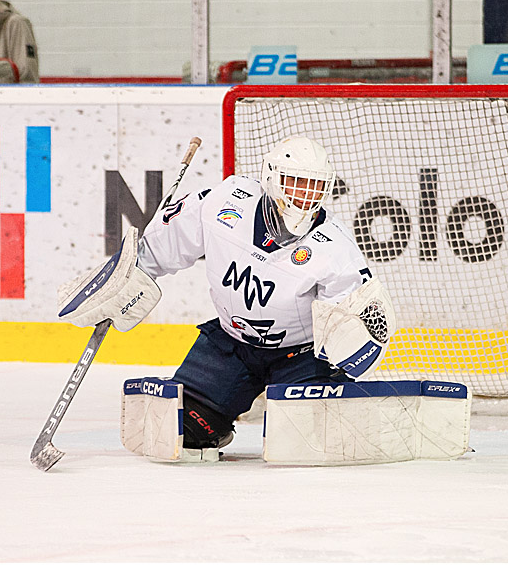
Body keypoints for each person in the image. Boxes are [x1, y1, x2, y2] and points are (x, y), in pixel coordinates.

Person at [57, 137, 394, 455]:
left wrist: (348, 350)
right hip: (230, 347)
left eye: (316, 185)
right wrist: (131, 275)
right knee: (179, 432)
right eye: (296, 182)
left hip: (300, 359)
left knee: (307, 444)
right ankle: (236, 397)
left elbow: (352, 329)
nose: (306, 195)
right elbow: (162, 248)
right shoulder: (226, 201)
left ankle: (279, 399)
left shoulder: (335, 249)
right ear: (272, 178)